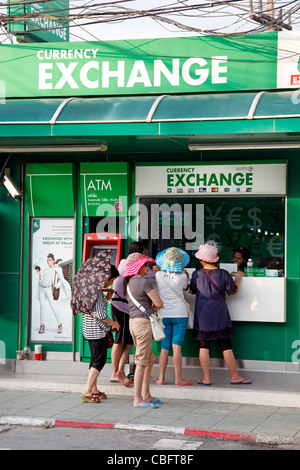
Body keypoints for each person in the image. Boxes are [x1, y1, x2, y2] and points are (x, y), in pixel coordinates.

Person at [190, 241, 251, 386]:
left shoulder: (196, 274)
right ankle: (234, 376)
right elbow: (232, 291)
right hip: (220, 312)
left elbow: (192, 290)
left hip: (202, 314)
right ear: (215, 258)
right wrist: (238, 278)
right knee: (226, 345)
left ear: (201, 260)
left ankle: (206, 378)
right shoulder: (223, 274)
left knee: (203, 345)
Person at [109, 241, 159, 387]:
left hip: (123, 306)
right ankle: (115, 373)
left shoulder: (123, 263)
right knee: (120, 341)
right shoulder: (134, 268)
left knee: (128, 342)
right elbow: (156, 275)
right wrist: (156, 268)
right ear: (141, 254)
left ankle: (119, 371)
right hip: (122, 307)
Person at [123, 253, 164, 408]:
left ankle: (146, 394)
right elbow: (159, 303)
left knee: (150, 359)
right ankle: (138, 399)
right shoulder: (144, 282)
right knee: (141, 362)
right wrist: (154, 305)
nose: (148, 267)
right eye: (146, 265)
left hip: (133, 323)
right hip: (144, 324)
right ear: (140, 267)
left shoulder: (128, 282)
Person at [81, 264, 120, 403]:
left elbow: (96, 308)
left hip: (89, 329)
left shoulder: (90, 289)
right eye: (111, 280)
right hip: (96, 331)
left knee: (94, 359)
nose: (111, 283)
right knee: (99, 360)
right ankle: (87, 391)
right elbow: (101, 314)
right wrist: (113, 324)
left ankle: (93, 389)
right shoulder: (96, 291)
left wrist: (107, 298)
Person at [154, 247, 192, 386]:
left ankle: (161, 378)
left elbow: (157, 271)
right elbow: (186, 287)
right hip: (180, 314)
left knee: (165, 348)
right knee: (177, 348)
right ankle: (178, 379)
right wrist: (187, 275)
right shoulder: (182, 276)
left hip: (164, 314)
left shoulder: (159, 275)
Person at [35, 253, 71, 335]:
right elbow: (41, 279)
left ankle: (59, 324)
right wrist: (40, 275)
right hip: (41, 288)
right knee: (42, 307)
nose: (48, 262)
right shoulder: (46, 269)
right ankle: (42, 325)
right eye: (47, 260)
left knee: (53, 306)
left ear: (53, 260)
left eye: (50, 260)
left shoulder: (57, 269)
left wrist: (56, 285)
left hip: (48, 289)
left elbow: (61, 280)